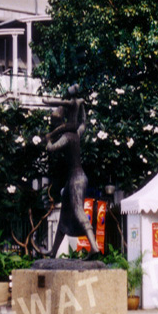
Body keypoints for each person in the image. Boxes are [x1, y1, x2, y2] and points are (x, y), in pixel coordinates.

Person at [43, 86, 100, 258]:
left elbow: (51, 148)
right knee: (64, 217)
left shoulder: (67, 137)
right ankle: (53, 251)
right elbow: (83, 123)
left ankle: (94, 246)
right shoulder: (77, 134)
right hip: (74, 179)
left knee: (78, 211)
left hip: (76, 178)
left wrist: (48, 139)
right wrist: (82, 108)